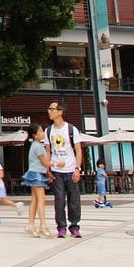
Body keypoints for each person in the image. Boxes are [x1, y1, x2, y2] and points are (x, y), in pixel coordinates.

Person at [47, 100, 84, 238]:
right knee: (59, 200)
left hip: (70, 169)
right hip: (56, 171)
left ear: (60, 111)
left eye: (52, 109)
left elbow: (78, 150)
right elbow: (48, 152)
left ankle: (74, 227)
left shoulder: (71, 129)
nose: (49, 112)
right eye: (49, 109)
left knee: (74, 200)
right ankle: (61, 227)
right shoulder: (48, 130)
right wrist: (48, 169)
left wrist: (77, 168)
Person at [22, 125, 51, 237]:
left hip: (35, 173)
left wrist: (48, 172)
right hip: (37, 175)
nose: (43, 133)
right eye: (41, 131)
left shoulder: (35, 145)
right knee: (41, 199)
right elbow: (45, 163)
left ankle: (31, 225)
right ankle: (42, 225)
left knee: (35, 199)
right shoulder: (38, 146)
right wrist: (58, 164)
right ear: (35, 135)